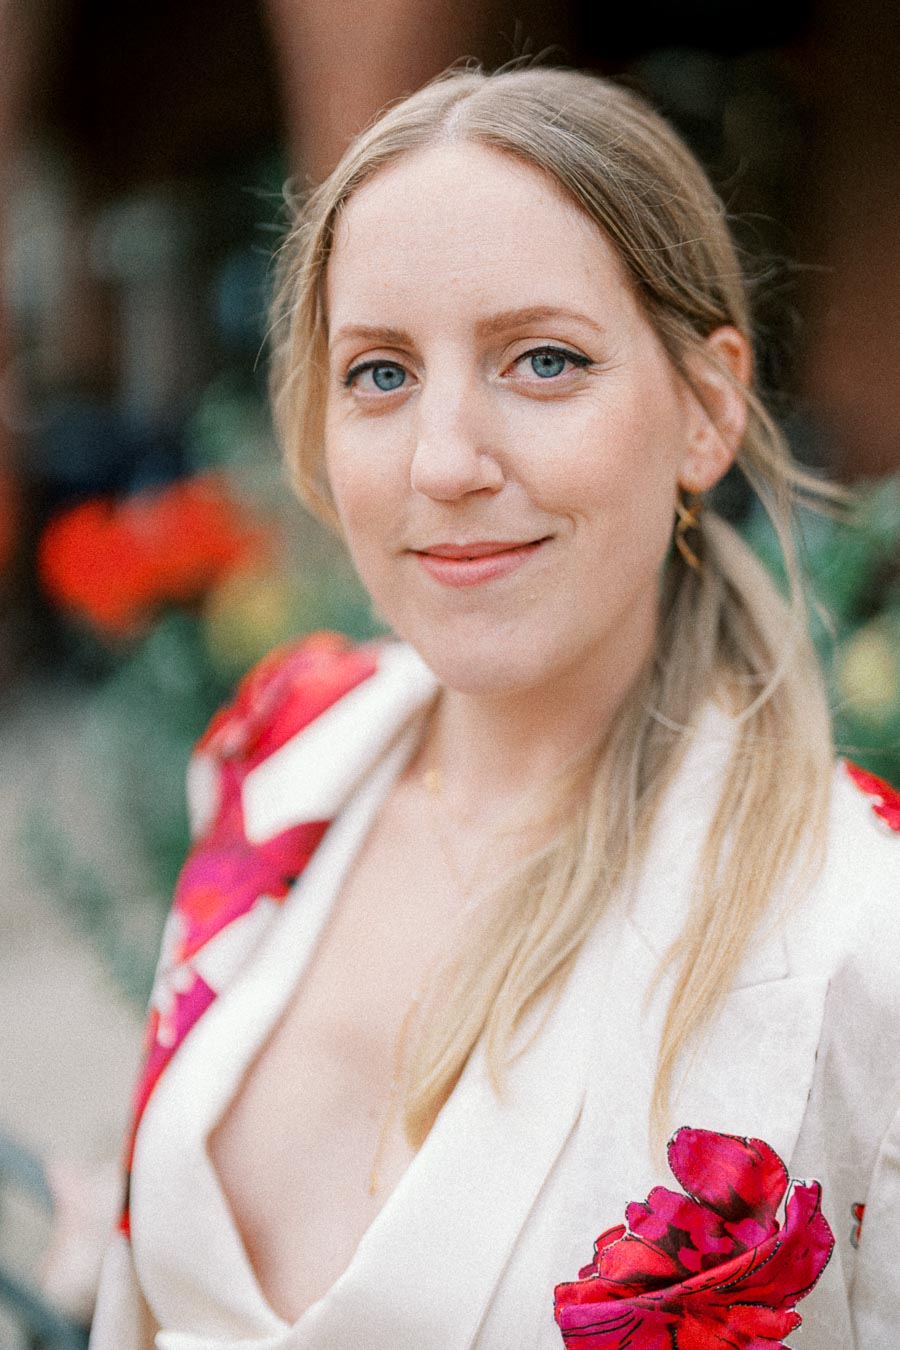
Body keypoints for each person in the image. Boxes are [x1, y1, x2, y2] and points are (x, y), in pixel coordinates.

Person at [89, 65, 900, 1349]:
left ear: (706, 410)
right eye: (380, 373)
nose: (446, 461)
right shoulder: (283, 748)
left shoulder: (853, 935)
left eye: (543, 360)